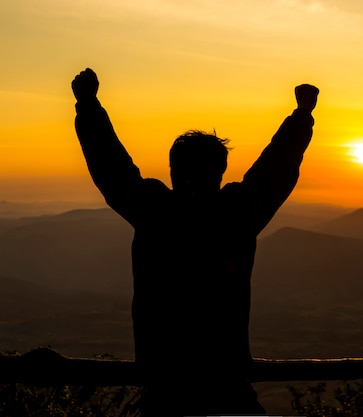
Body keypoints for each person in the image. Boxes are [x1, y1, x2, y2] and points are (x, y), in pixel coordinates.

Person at [71, 68, 318, 416]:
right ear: (220, 170)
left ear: (173, 169)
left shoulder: (154, 209)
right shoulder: (237, 211)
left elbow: (110, 164)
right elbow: (276, 167)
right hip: (228, 384)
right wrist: (303, 114)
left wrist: (88, 104)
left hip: (164, 386)